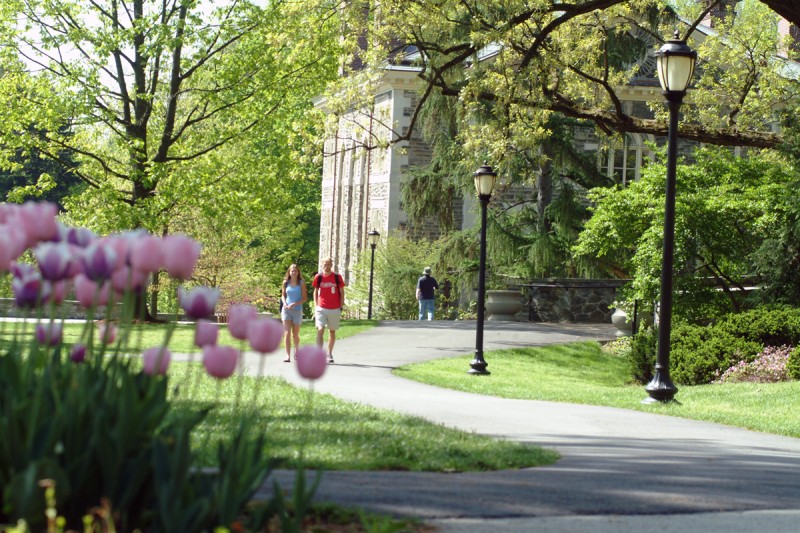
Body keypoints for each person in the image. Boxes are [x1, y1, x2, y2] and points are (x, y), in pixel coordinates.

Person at [312, 258, 345, 364]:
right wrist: (316, 305)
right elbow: (316, 291)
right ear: (322, 265)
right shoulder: (319, 277)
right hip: (321, 307)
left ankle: (329, 353)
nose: (326, 266)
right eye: (324, 264)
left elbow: (341, 291)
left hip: (334, 308)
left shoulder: (337, 277)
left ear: (331, 265)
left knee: (332, 331)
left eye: (328, 264)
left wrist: (341, 305)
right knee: (320, 329)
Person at [280, 264, 308, 362]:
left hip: (297, 310)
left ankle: (297, 350)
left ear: (298, 272)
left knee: (295, 334)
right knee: (287, 333)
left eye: (295, 271)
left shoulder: (301, 283)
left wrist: (294, 304)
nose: (293, 273)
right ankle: (287, 355)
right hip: (286, 310)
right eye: (292, 271)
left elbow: (304, 298)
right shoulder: (285, 283)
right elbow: (283, 295)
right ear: (289, 272)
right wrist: (284, 303)